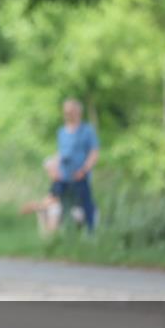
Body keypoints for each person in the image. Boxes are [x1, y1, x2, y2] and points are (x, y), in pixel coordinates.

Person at [50, 99, 99, 232]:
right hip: (63, 175)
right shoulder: (61, 132)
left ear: (78, 112)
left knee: (84, 204)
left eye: (71, 111)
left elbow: (94, 153)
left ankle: (91, 232)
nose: (68, 114)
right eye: (66, 111)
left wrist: (84, 170)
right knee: (54, 202)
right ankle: (54, 234)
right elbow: (61, 152)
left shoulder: (87, 130)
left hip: (80, 175)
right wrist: (54, 167)